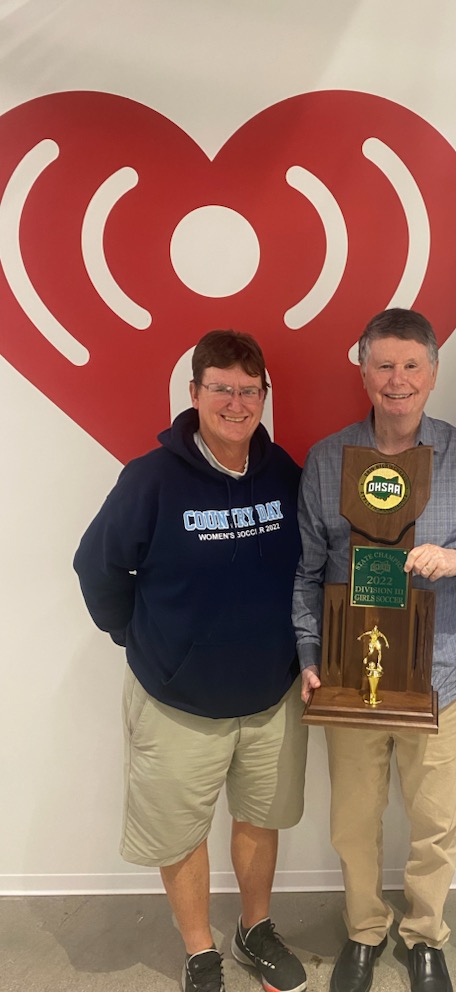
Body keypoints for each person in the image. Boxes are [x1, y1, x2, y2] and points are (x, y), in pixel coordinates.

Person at [74, 330, 308, 992]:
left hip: (269, 695)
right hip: (176, 700)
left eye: (248, 390)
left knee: (260, 820)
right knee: (181, 832)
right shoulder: (150, 479)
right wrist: (144, 642)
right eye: (222, 388)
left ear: (263, 395)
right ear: (195, 392)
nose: (236, 403)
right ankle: (201, 950)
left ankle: (254, 930)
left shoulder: (284, 472)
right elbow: (97, 569)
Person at [292, 308, 456, 992]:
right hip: (350, 676)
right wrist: (308, 651)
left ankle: (423, 936)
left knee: (434, 821)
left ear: (434, 373)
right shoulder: (328, 459)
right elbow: (305, 570)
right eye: (383, 365)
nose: (397, 379)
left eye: (411, 365)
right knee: (353, 822)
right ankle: (363, 929)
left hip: (443, 672)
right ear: (362, 371)